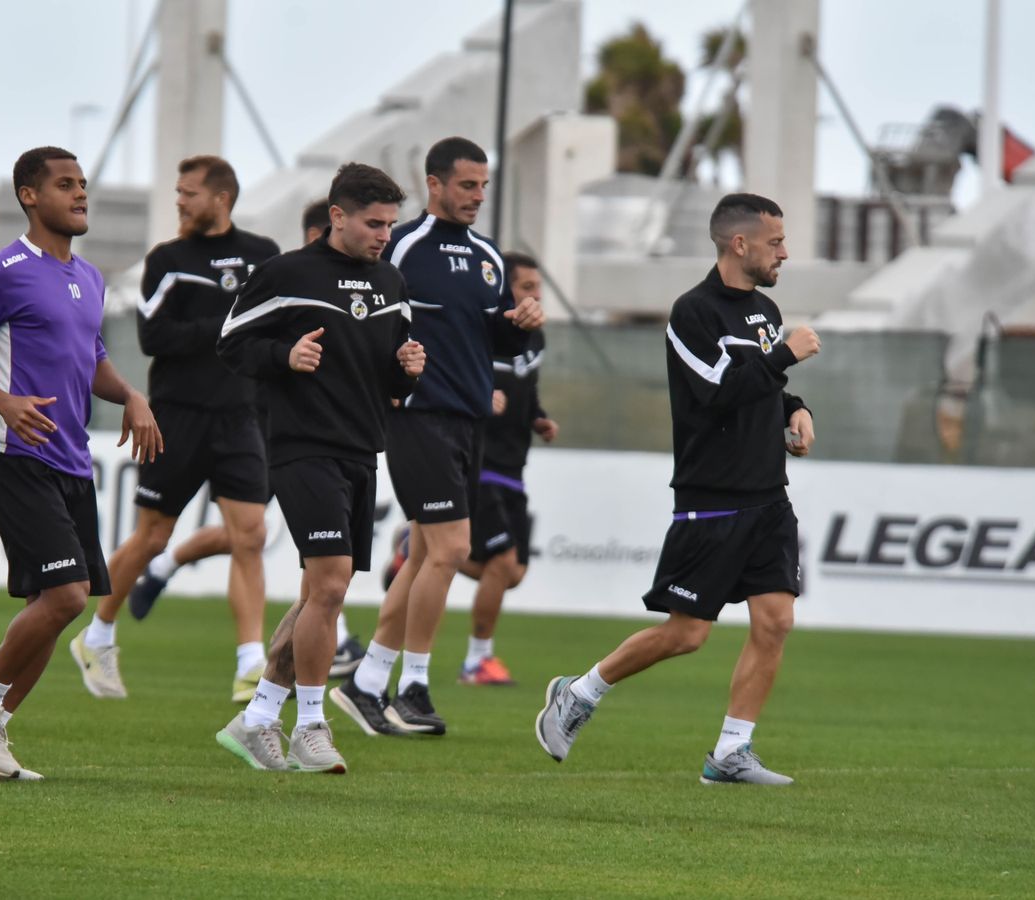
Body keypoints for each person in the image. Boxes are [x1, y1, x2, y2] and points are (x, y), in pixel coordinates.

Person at [534, 192, 819, 786]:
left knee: (776, 621)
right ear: (739, 244)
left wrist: (794, 407)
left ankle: (731, 753)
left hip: (769, 494)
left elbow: (759, 386)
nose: (784, 253)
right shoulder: (692, 312)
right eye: (775, 242)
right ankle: (579, 692)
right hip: (712, 497)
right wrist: (785, 357)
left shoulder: (765, 310)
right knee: (686, 633)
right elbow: (714, 389)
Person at [0, 146, 160, 780]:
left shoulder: (90, 278)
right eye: (65, 185)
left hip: (73, 464)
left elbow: (92, 361)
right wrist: (2, 402)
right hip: (16, 458)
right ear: (30, 196)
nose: (80, 194)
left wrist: (133, 395)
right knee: (63, 597)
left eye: (83, 184)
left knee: (66, 602)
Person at [213, 162, 424, 773]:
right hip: (301, 447)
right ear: (337, 216)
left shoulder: (392, 283)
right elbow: (231, 343)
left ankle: (255, 721)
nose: (383, 235)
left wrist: (407, 370)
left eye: (389, 224)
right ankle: (310, 726)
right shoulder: (285, 274)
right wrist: (285, 353)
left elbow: (388, 384)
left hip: (363, 450)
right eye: (372, 223)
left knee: (318, 594)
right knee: (330, 584)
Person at [331, 137, 543, 738]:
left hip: (469, 421)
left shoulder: (489, 257)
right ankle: (414, 687)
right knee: (451, 550)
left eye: (483, 186)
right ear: (435, 184)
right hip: (416, 416)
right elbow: (362, 315)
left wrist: (520, 326)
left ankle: (367, 684)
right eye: (467, 185)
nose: (477, 196)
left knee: (425, 557)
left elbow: (491, 341)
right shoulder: (400, 245)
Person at [117, 194, 369, 680]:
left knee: (257, 534)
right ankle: (303, 648)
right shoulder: (288, 283)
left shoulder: (346, 291)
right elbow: (234, 341)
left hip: (296, 431)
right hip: (269, 427)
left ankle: (166, 569)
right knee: (281, 538)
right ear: (323, 233)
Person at [69, 156, 279, 704]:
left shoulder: (265, 256)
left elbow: (279, 325)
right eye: (178, 192)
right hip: (177, 416)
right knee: (153, 536)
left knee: (250, 536)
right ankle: (98, 635)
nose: (180, 202)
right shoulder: (168, 259)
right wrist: (231, 323)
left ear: (222, 197)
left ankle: (250, 664)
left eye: (188, 193)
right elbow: (154, 335)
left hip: (243, 417)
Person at [456, 252, 558, 686]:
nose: (535, 294)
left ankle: (415, 548)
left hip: (514, 467)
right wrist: (480, 394)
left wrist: (538, 417)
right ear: (505, 290)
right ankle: (477, 661)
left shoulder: (535, 338)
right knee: (501, 561)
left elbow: (526, 387)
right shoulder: (483, 330)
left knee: (512, 573)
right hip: (478, 464)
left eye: (538, 286)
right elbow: (451, 378)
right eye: (527, 287)